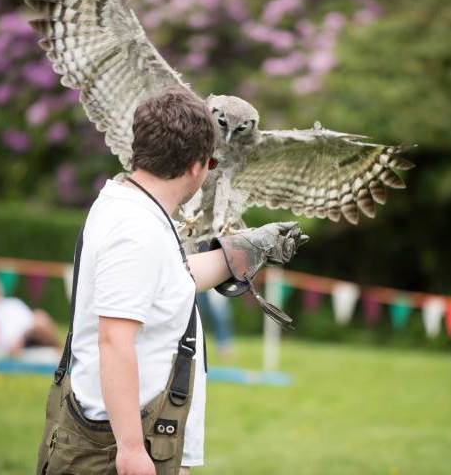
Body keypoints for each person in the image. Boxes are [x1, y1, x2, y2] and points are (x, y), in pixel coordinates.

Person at [37, 90, 307, 475]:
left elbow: (168, 281)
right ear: (199, 166)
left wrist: (246, 249)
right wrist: (131, 451)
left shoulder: (140, 211)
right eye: (212, 161)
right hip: (119, 446)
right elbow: (114, 341)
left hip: (145, 434)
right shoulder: (135, 229)